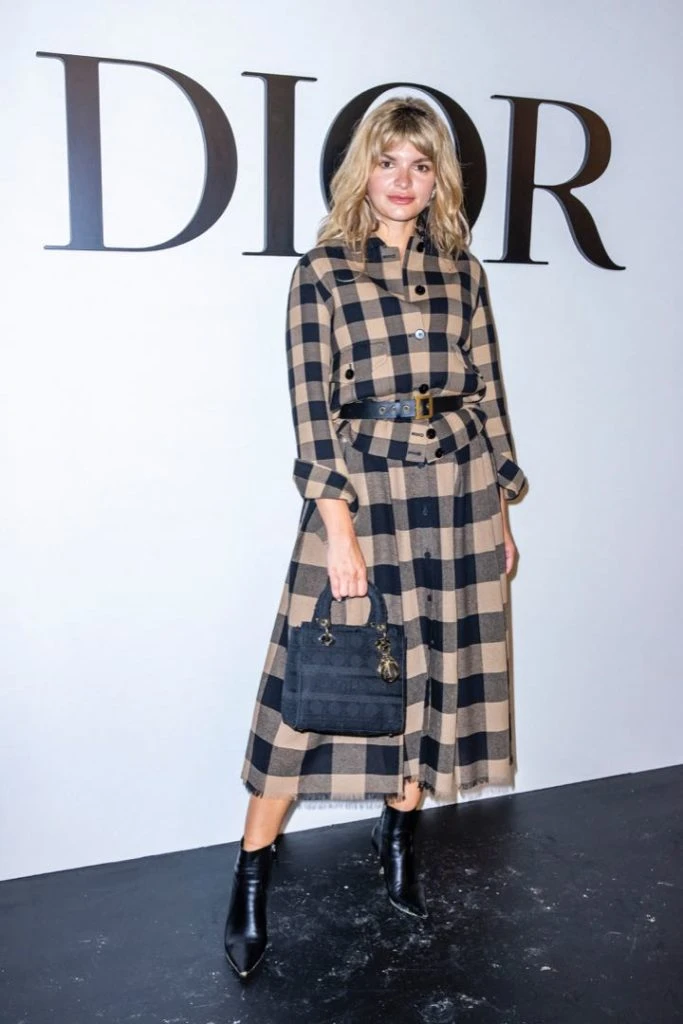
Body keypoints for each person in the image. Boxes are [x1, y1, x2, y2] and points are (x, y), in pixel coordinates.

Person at [223, 96, 526, 978]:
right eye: (389, 161)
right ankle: (250, 871)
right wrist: (339, 533)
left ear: (439, 181)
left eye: (421, 166)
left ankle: (399, 837)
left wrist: (501, 511)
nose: (403, 180)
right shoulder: (322, 271)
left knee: (430, 674)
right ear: (364, 169)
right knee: (309, 696)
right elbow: (311, 413)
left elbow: (488, 397)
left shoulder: (462, 272)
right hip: (364, 489)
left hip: (458, 487)